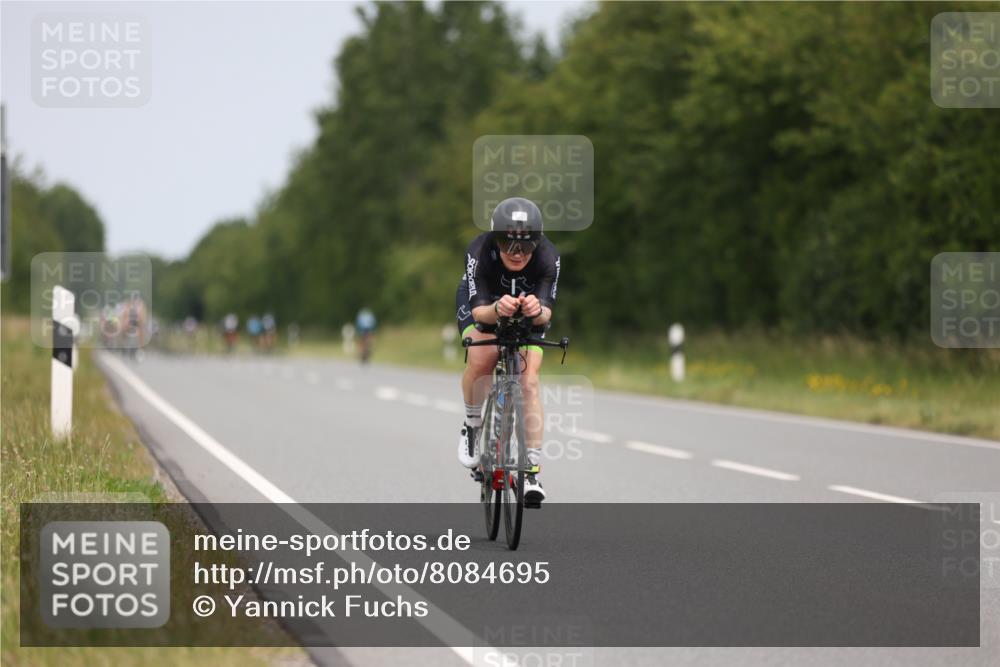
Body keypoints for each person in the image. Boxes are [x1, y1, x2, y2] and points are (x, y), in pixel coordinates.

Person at [455, 197, 560, 507]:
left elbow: (546, 315)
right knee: (483, 358)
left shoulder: (549, 257)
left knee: (528, 382)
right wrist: (498, 308)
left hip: (529, 309)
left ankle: (530, 472)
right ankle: (473, 426)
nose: (516, 254)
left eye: (526, 246)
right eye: (507, 244)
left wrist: (536, 309)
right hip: (485, 305)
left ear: (537, 243)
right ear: (494, 238)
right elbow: (480, 314)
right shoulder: (479, 252)